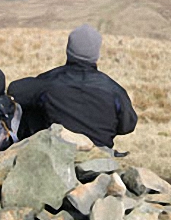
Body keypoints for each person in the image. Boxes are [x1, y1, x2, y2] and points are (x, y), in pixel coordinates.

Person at [8, 24, 137, 150]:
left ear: (68, 50)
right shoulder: (114, 91)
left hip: (55, 152)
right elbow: (128, 125)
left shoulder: (48, 82)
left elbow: (15, 91)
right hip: (99, 157)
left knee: (29, 106)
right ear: (96, 55)